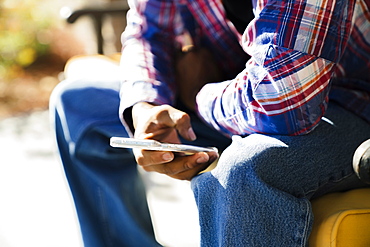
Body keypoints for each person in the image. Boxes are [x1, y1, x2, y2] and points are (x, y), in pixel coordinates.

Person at [50, 0, 370, 245]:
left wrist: (195, 95)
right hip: (234, 96)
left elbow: (282, 100)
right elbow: (148, 31)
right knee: (76, 104)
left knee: (240, 171)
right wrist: (145, 107)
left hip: (347, 105)